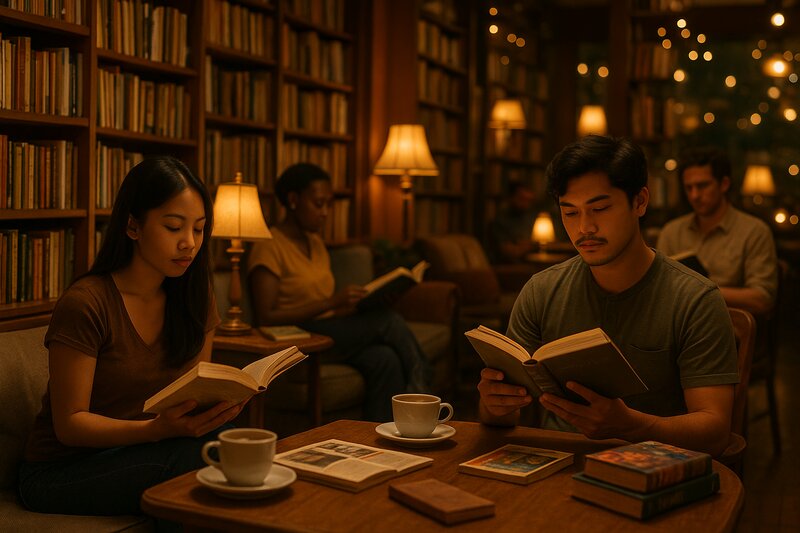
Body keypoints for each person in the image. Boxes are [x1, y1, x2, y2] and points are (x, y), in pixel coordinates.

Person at [478, 136, 739, 457]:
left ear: (640, 201)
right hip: (558, 463)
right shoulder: (541, 290)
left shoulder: (695, 299)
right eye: (570, 213)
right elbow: (502, 420)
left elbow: (715, 430)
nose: (585, 228)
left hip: (655, 466)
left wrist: (633, 426)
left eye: (600, 208)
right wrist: (492, 404)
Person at [18, 157, 244, 516]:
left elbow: (195, 389)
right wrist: (156, 430)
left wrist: (217, 407)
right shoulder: (88, 303)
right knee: (189, 461)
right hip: (62, 471)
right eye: (173, 227)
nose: (189, 243)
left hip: (150, 448)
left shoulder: (195, 297)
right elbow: (70, 425)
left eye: (199, 229)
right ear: (133, 226)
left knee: (235, 442)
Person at [247, 163, 431, 422]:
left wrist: (363, 302)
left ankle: (382, 437)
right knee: (386, 321)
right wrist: (331, 302)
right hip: (296, 336)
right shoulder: (269, 246)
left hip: (327, 328)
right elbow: (266, 315)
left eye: (328, 205)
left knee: (384, 358)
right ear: (292, 200)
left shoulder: (316, 243)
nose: (325, 213)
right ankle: (424, 384)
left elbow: (330, 308)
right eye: (318, 204)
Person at [657, 147, 778, 316]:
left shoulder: (754, 231)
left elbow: (762, 299)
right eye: (688, 188)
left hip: (730, 329)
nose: (694, 195)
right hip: (678, 325)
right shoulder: (672, 232)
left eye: (702, 186)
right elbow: (659, 290)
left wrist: (703, 290)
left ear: (724, 184)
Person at [488, 181, 537, 263]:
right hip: (506, 267)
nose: (525, 204)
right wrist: (529, 246)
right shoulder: (500, 221)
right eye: (522, 199)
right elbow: (509, 252)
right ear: (510, 198)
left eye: (528, 200)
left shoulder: (530, 218)